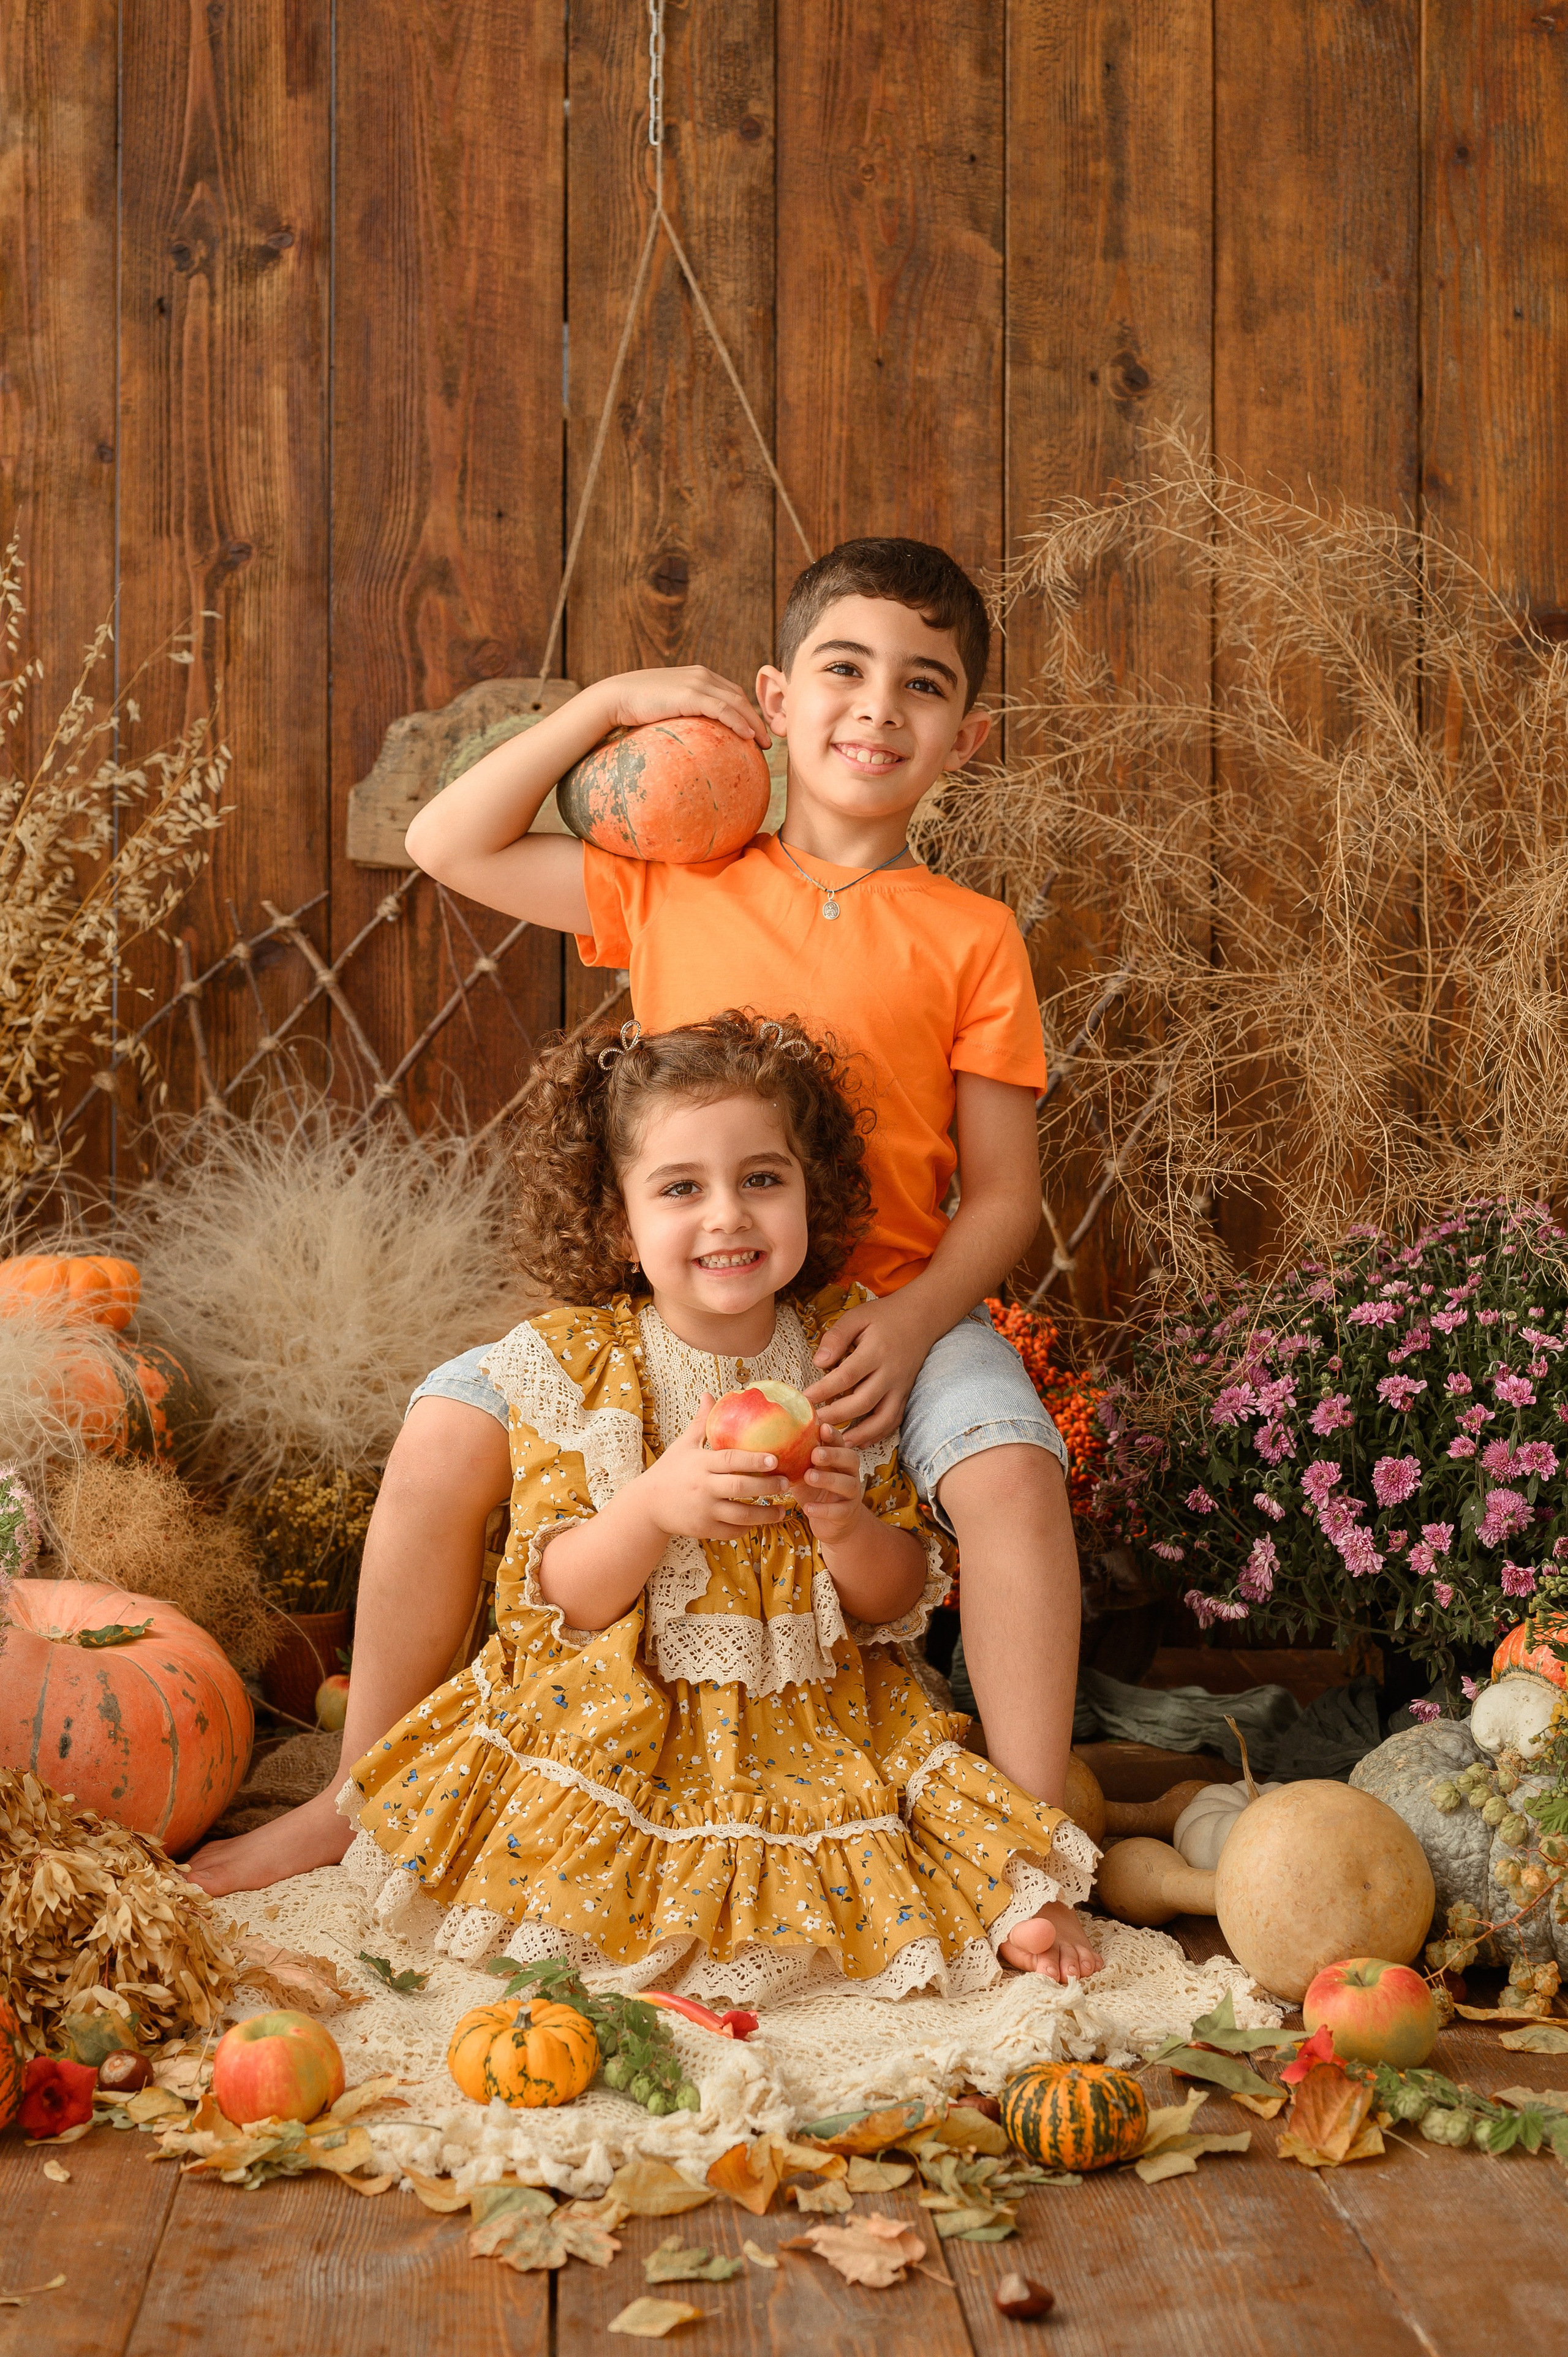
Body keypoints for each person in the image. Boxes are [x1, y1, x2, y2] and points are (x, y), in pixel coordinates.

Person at [190, 540, 1091, 1981]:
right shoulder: (683, 884)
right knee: (439, 1427)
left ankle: (1026, 1853)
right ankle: (361, 1802)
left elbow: (1004, 1202)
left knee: (1010, 1479)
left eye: (921, 687)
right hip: (674, 1304)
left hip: (880, 1317)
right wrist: (601, 703)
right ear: (773, 701)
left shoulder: (972, 937)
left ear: (961, 740)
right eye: (843, 672)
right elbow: (449, 843)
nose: (877, 709)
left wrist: (921, 1322)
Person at [301, 1014, 1099, 1993]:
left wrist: (846, 1525)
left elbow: (895, 1602)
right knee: (570, 1891)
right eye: (682, 1188)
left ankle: (1010, 1890)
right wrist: (651, 1509)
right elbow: (559, 1602)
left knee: (916, 1839)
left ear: (815, 1193)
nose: (728, 1215)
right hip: (632, 1725)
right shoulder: (581, 1369)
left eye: (763, 1179)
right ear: (618, 1222)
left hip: (818, 1724)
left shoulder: (843, 1356)